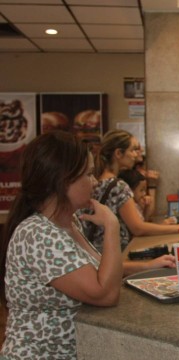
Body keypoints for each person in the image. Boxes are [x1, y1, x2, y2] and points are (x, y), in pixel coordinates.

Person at [0, 131, 122, 359]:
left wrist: (148, 266)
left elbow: (94, 268)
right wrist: (112, 227)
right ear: (63, 181)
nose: (94, 182)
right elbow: (105, 294)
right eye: (88, 174)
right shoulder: (37, 234)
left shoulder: (70, 221)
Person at [89, 129, 179, 275]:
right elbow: (138, 227)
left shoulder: (99, 181)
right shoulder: (118, 185)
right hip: (112, 258)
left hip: (98, 256)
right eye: (132, 150)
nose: (136, 155)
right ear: (118, 153)